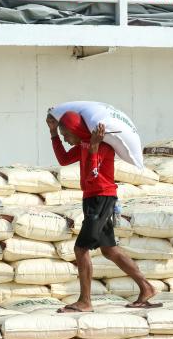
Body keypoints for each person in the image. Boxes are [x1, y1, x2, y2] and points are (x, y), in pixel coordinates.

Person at [47, 111, 160, 312]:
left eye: (66, 135)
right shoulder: (83, 144)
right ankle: (146, 287)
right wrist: (54, 133)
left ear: (75, 130)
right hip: (92, 199)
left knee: (80, 249)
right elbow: (64, 160)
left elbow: (92, 176)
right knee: (109, 250)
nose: (65, 139)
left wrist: (93, 147)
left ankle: (85, 301)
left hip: (101, 198)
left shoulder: (103, 147)